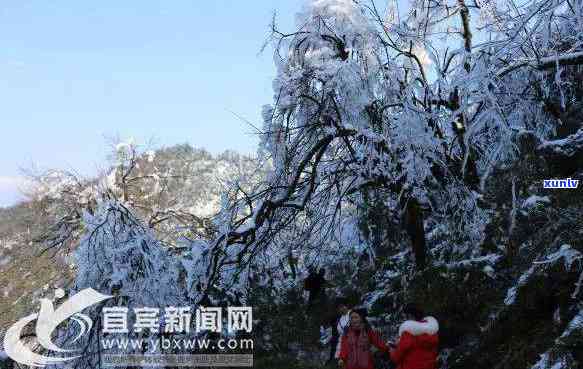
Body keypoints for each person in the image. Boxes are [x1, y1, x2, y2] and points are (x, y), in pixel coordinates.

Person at [389, 303, 439, 369]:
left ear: (410, 316)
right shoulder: (432, 331)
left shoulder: (408, 332)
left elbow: (396, 357)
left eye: (405, 316)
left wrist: (392, 350)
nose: (404, 319)